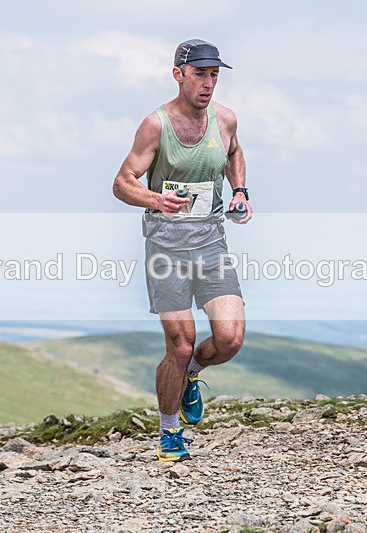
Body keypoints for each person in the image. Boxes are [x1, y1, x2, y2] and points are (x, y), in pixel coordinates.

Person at [112, 39, 252, 462]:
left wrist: (240, 191)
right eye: (200, 75)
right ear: (179, 75)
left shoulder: (225, 120)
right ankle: (169, 433)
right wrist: (156, 200)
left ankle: (192, 376)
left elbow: (234, 152)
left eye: (214, 75)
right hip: (166, 251)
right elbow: (122, 182)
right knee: (182, 344)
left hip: (211, 245)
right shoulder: (156, 125)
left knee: (229, 339)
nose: (208, 84)